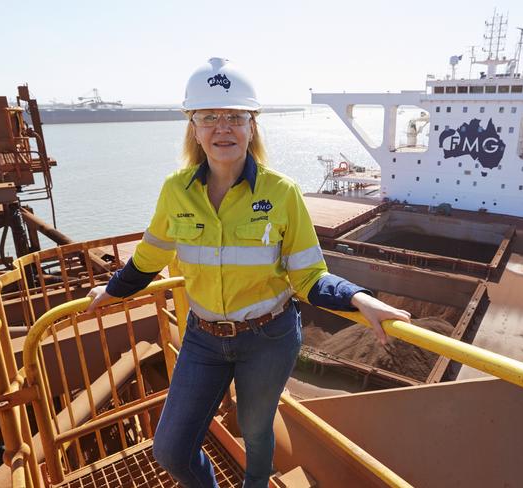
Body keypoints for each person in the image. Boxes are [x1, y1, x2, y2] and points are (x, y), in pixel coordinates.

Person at [86, 57, 411, 488]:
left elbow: (308, 275)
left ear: (251, 126)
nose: (223, 127)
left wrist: (357, 297)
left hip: (268, 337)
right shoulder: (174, 191)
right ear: (194, 128)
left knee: (257, 430)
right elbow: (150, 256)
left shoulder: (282, 193)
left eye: (235, 117)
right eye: (210, 117)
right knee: (170, 449)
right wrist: (113, 290)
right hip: (203, 337)